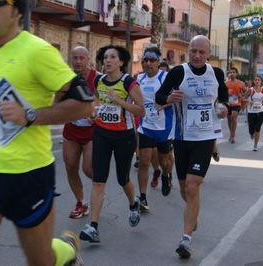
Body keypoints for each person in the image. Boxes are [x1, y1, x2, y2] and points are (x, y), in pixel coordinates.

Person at [0, 1, 94, 265]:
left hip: (28, 176)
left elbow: (85, 104)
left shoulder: (37, 51)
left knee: (41, 261)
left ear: (17, 10)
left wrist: (29, 115)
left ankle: (66, 250)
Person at [155, 35, 228, 259]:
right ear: (189, 50)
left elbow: (223, 95)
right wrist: (169, 98)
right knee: (185, 188)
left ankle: (185, 239)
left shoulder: (216, 73)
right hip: (182, 137)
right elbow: (159, 97)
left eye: (202, 52)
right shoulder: (177, 73)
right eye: (193, 51)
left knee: (193, 186)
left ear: (208, 54)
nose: (197, 55)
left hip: (205, 137)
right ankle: (192, 213)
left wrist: (224, 107)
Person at [79, 44, 145, 243]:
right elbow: (98, 103)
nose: (107, 61)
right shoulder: (99, 80)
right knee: (99, 180)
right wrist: (94, 113)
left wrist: (120, 100)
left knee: (122, 178)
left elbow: (141, 111)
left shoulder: (129, 83)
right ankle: (93, 227)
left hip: (124, 137)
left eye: (112, 57)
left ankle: (133, 204)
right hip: (101, 134)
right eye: (105, 57)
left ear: (121, 62)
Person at [63, 46, 101, 219]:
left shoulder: (98, 78)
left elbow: (104, 101)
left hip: (91, 130)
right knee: (71, 167)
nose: (78, 61)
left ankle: (99, 191)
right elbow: (58, 100)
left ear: (88, 59)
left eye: (81, 58)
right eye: (75, 58)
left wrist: (95, 112)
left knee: (88, 168)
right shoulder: (65, 77)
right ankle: (81, 203)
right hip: (72, 128)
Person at [136, 46, 173, 211]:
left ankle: (165, 175)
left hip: (163, 127)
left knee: (164, 161)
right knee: (144, 161)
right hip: (146, 126)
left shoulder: (166, 77)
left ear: (158, 62)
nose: (148, 63)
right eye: (145, 60)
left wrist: (164, 103)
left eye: (152, 60)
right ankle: (142, 198)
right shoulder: (139, 79)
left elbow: (178, 96)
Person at [243, 76, 263, 151]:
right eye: (255, 80)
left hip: (261, 111)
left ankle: (255, 144)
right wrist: (248, 101)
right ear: (254, 81)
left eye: (258, 80)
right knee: (251, 130)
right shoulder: (250, 90)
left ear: (261, 82)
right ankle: (251, 133)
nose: (257, 81)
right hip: (251, 112)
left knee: (257, 128)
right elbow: (244, 99)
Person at [225, 67, 245, 144]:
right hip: (228, 103)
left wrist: (241, 95)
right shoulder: (226, 84)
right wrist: (227, 93)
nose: (232, 74)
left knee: (234, 117)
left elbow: (246, 92)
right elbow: (221, 94)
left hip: (237, 103)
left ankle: (232, 135)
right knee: (229, 119)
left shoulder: (241, 83)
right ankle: (231, 133)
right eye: (231, 72)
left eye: (234, 72)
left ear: (236, 74)